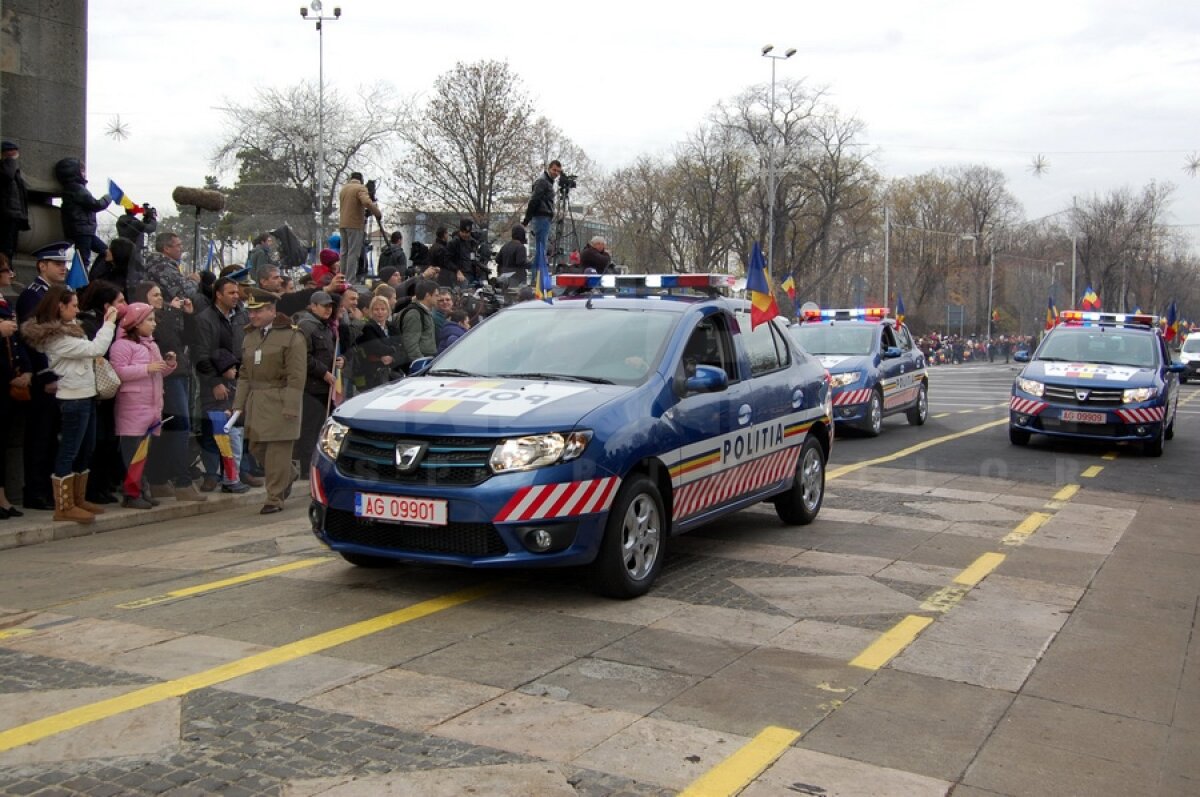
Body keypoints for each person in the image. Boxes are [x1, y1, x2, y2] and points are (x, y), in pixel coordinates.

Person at [19, 285, 119, 524]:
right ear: (59, 307)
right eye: (73, 305)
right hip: (72, 397)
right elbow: (96, 348)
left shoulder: (71, 330)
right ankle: (64, 505)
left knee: (87, 447)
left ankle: (78, 498)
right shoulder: (55, 337)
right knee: (69, 450)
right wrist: (109, 324)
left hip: (86, 393)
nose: (77, 309)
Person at [232, 288, 306, 515]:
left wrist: (291, 406)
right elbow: (244, 374)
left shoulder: (292, 336)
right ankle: (289, 473)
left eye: (257, 311)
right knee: (256, 448)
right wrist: (238, 405)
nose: (252, 316)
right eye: (250, 312)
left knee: (277, 452)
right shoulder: (250, 336)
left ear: (272, 311)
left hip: (280, 400)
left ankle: (274, 497)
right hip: (256, 401)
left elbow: (296, 376)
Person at [132, 281, 206, 502]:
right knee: (178, 427)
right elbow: (164, 340)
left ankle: (160, 479)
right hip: (165, 378)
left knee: (171, 430)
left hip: (178, 373)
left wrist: (188, 316)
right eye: (154, 295)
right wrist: (172, 313)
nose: (159, 299)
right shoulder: (145, 321)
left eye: (160, 295)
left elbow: (188, 340)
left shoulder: (165, 318)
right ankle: (181, 480)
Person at [16, 242, 73, 511]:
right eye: (57, 263)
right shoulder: (33, 294)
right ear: (42, 266)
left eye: (64, 263)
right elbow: (33, 337)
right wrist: (46, 373)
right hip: (44, 376)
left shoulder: (58, 293)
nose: (63, 267)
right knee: (40, 436)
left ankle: (48, 490)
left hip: (62, 373)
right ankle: (35, 490)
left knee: (52, 436)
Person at [109, 302, 175, 509]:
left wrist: (168, 365)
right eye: (149, 320)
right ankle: (131, 493)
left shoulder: (151, 344)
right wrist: (146, 368)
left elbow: (157, 371)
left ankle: (141, 489)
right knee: (132, 454)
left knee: (144, 453)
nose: (153, 324)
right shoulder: (121, 345)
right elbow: (118, 372)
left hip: (151, 406)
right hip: (132, 406)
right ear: (136, 323)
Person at [194, 276, 256, 493]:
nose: (236, 296)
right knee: (215, 428)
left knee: (237, 429)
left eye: (237, 292)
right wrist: (215, 382)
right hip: (216, 384)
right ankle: (212, 474)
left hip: (239, 380)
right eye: (231, 293)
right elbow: (201, 354)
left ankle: (238, 472)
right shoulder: (205, 319)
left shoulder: (241, 316)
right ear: (218, 294)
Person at [77, 279, 128, 505]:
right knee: (95, 441)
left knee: (108, 440)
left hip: (110, 391)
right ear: (107, 306)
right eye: (120, 301)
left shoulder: (120, 325)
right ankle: (92, 488)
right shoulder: (90, 324)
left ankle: (104, 484)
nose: (125, 304)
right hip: (95, 390)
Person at [294, 291, 340, 472]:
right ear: (313, 306)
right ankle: (307, 467)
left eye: (330, 306)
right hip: (311, 387)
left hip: (324, 387)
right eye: (324, 306)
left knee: (321, 428)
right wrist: (324, 373)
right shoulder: (306, 326)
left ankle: (316, 464)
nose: (328, 309)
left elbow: (328, 353)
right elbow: (303, 357)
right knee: (310, 429)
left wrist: (338, 362)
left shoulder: (325, 326)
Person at [0, 272, 28, 518]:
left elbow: (17, 341)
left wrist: (25, 370)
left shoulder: (4, 301)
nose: (11, 274)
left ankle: (3, 497)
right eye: (4, 271)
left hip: (11, 379)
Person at [53, 158, 111, 270]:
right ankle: (81, 286)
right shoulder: (76, 188)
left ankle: (90, 280)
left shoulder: (73, 187)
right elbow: (95, 204)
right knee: (83, 261)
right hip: (82, 230)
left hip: (83, 230)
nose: (84, 173)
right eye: (82, 170)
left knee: (106, 252)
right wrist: (108, 198)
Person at [337, 172, 382, 281]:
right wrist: (377, 212)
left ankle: (342, 277)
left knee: (344, 252)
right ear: (361, 179)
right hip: (355, 224)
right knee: (353, 253)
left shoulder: (344, 189)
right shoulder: (360, 188)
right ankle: (350, 279)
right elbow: (366, 202)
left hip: (343, 224)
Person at [522, 159, 561, 272]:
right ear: (549, 168)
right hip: (541, 217)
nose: (556, 173)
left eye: (558, 171)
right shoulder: (542, 181)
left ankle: (537, 276)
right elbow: (534, 200)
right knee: (540, 249)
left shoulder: (547, 182)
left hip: (544, 217)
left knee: (541, 248)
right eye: (554, 170)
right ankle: (537, 277)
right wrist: (527, 219)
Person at [355, 295, 400, 389]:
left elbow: (403, 347)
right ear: (371, 311)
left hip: (393, 372)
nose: (380, 312)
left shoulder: (392, 327)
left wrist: (392, 357)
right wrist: (394, 348)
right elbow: (378, 348)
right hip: (374, 373)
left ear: (388, 311)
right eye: (376, 309)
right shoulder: (368, 328)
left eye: (383, 309)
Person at [144, 231, 200, 302]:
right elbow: (184, 294)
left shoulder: (158, 264)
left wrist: (186, 280)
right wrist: (195, 281)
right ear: (166, 249)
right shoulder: (163, 266)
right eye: (178, 245)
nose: (181, 248)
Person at [0, 141, 30, 261]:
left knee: (10, 248)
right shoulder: (7, 166)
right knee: (7, 248)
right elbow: (8, 175)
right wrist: (10, 160)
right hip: (8, 215)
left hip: (13, 215)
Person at [399, 279, 439, 368]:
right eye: (436, 295)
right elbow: (411, 344)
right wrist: (421, 366)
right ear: (428, 295)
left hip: (428, 359)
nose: (438, 298)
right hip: (422, 362)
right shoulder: (414, 314)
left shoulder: (426, 312)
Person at [115, 205, 157, 283]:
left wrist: (145, 219)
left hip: (123, 250)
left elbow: (141, 227)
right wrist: (152, 217)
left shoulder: (120, 222)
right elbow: (151, 228)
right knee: (138, 274)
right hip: (135, 251)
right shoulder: (135, 223)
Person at [442, 219, 479, 287]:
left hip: (471, 275)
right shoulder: (453, 243)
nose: (465, 234)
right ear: (460, 231)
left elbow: (473, 258)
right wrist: (457, 271)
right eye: (463, 232)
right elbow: (447, 260)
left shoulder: (473, 242)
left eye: (467, 232)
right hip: (457, 276)